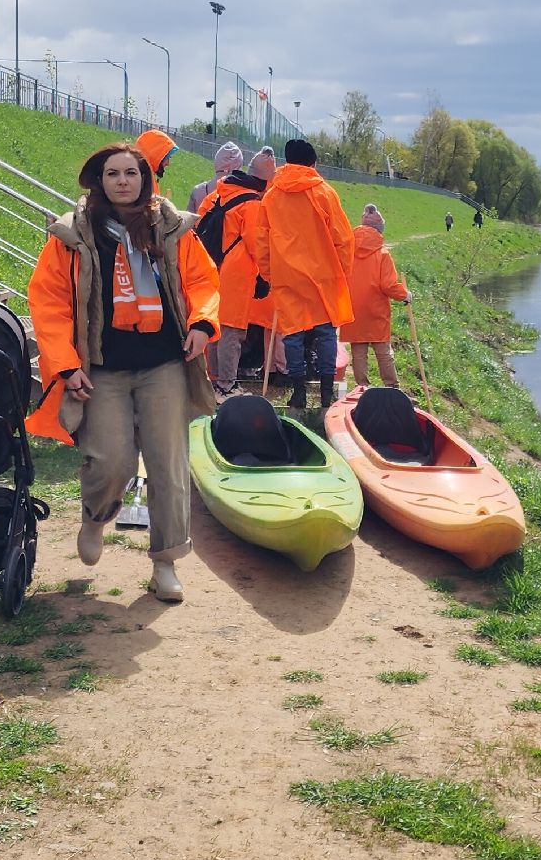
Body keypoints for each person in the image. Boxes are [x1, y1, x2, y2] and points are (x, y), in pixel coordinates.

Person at [26, 141, 221, 603]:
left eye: (131, 173)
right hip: (103, 369)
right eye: (113, 173)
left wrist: (202, 323)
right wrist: (66, 365)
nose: (122, 181)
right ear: (99, 180)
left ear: (145, 179)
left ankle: (165, 563)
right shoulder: (73, 234)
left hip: (165, 364)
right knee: (110, 460)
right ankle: (95, 518)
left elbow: (202, 280)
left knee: (168, 465)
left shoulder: (171, 228)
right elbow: (49, 302)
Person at [251, 138, 354, 411]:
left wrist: (269, 274)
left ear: (287, 161)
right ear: (313, 163)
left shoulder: (271, 196)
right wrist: (342, 273)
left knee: (293, 334)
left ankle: (298, 392)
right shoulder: (325, 193)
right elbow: (344, 239)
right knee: (326, 333)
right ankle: (326, 394)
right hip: (324, 275)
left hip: (286, 276)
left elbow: (261, 241)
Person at [197, 145, 273, 394]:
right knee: (232, 331)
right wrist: (265, 276)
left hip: (209, 268)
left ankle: (213, 379)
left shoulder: (217, 194)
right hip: (236, 275)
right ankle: (227, 385)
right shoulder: (251, 204)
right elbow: (256, 244)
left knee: (213, 326)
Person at [341, 203, 411, 388]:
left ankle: (361, 387)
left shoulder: (348, 250)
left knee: (358, 350)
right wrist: (404, 295)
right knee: (383, 351)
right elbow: (388, 285)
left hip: (352, 307)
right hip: (375, 309)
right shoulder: (383, 254)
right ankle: (392, 387)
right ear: (380, 230)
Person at [189, 140, 244, 213]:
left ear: (216, 161)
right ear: (239, 164)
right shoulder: (247, 195)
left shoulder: (198, 191)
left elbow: (188, 219)